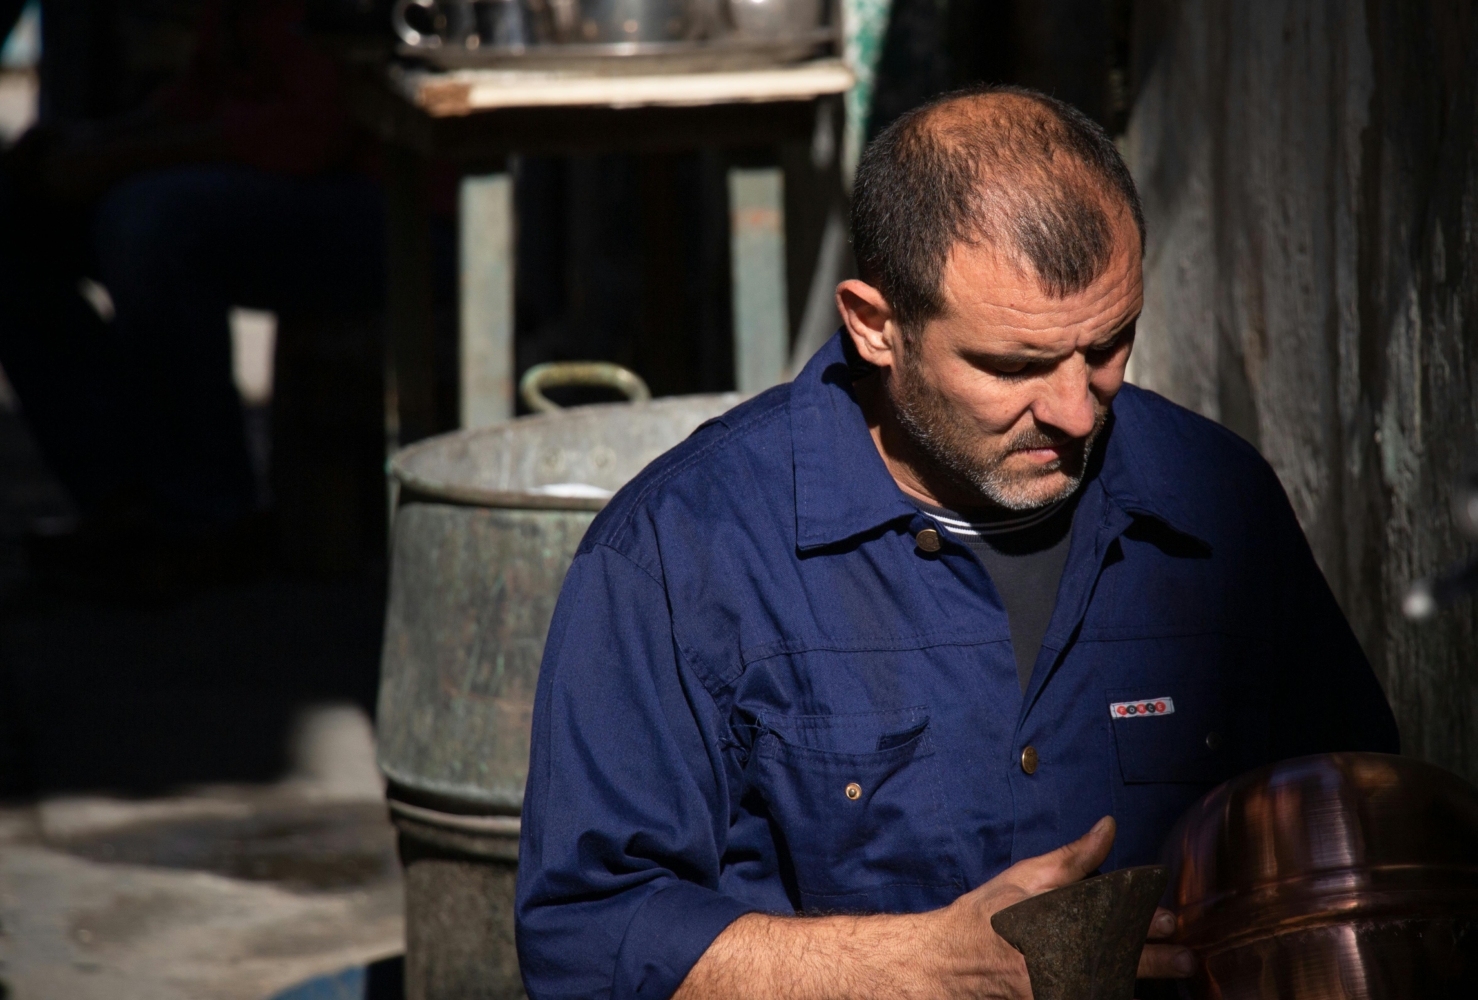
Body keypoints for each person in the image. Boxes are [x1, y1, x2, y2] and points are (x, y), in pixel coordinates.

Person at [515, 88, 1399, 1000]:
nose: (1074, 411)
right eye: (1012, 366)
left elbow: (1366, 841)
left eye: (1108, 346)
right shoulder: (680, 553)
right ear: (875, 326)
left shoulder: (1216, 505)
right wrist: (925, 964)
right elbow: (587, 940)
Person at [0, 0, 383, 594]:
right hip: (288, 172)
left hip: (378, 199)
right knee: (18, 214)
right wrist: (97, 140)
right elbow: (207, 89)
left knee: (147, 224)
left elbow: (311, 132)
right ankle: (122, 496)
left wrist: (115, 159)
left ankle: (206, 512)